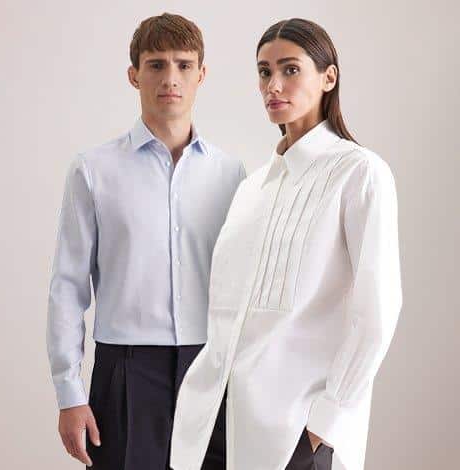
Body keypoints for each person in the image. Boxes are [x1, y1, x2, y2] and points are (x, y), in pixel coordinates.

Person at [169, 18, 402, 470]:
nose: (273, 85)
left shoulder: (359, 173)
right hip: (214, 422)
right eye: (264, 72)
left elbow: (378, 309)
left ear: (328, 77)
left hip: (294, 432)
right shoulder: (252, 188)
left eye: (290, 69)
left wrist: (326, 421)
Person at [46, 12, 246, 470]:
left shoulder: (231, 174)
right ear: (134, 75)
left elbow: (241, 283)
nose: (170, 78)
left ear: (201, 74)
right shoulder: (93, 170)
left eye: (183, 65)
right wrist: (68, 393)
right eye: (156, 65)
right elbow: (67, 287)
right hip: (125, 370)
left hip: (211, 368)